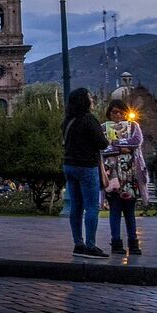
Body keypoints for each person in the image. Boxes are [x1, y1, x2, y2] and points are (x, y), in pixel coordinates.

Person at [62, 88, 110, 259]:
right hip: (86, 166)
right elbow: (102, 143)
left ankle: (78, 244)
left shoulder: (67, 120)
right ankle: (90, 245)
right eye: (90, 97)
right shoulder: (89, 120)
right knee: (91, 207)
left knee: (76, 206)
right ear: (84, 101)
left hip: (69, 166)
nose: (92, 99)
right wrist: (108, 138)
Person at [101, 99, 146, 255]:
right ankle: (116, 242)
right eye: (114, 112)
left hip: (131, 176)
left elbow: (136, 142)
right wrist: (121, 148)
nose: (118, 115)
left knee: (129, 211)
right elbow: (102, 148)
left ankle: (133, 243)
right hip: (112, 176)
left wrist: (114, 144)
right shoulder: (102, 128)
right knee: (114, 210)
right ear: (109, 113)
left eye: (121, 112)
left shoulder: (134, 127)